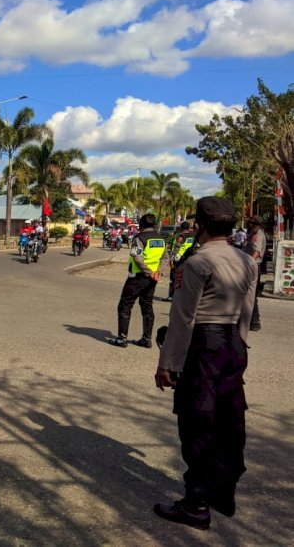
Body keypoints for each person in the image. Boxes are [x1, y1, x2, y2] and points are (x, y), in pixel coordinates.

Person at [153, 197, 257, 530]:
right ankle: (223, 493)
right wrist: (238, 347)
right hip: (232, 346)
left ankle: (196, 503)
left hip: (204, 346)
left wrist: (167, 363)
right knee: (230, 420)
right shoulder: (247, 261)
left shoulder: (196, 264)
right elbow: (247, 311)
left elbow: (183, 318)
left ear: (200, 225)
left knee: (198, 422)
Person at [108, 213, 169, 348]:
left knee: (125, 305)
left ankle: (122, 339)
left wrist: (149, 272)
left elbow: (137, 257)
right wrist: (157, 272)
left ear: (141, 225)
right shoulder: (161, 239)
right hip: (152, 278)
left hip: (138, 277)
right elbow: (166, 258)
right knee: (147, 306)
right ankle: (146, 339)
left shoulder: (139, 238)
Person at [244, 215, 266, 331]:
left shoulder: (258, 235)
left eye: (249, 223)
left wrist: (248, 265)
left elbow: (256, 252)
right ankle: (250, 320)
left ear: (253, 224)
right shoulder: (252, 234)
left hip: (253, 267)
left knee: (251, 295)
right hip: (251, 266)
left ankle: (255, 321)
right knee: (248, 294)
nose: (248, 225)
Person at [165, 221, 196, 302]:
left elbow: (176, 248)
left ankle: (172, 296)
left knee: (174, 278)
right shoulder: (192, 237)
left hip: (178, 260)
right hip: (188, 259)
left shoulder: (181, 236)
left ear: (181, 228)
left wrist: (172, 259)